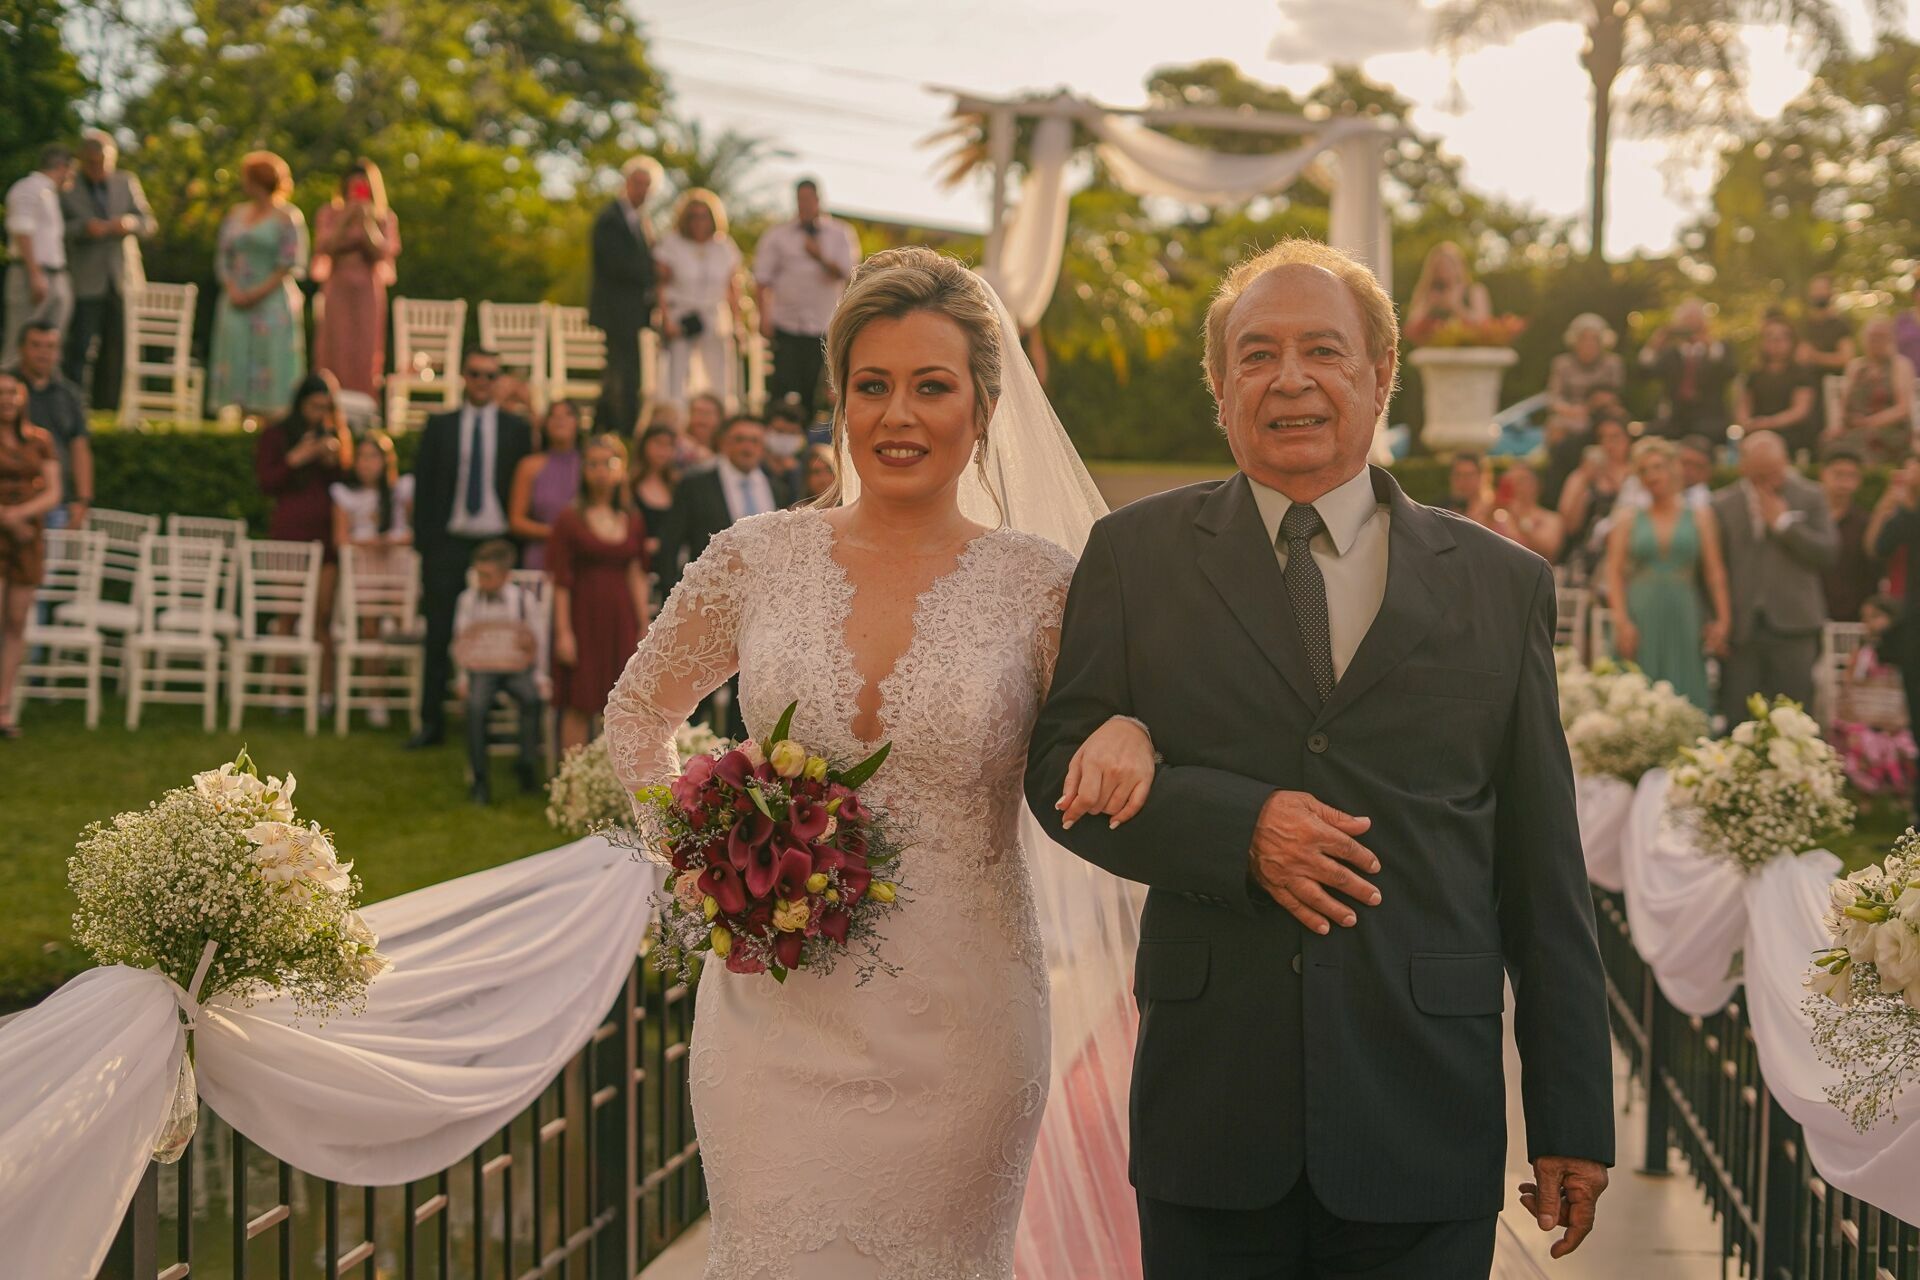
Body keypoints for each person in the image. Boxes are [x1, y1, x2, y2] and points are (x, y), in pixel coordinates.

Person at [1027, 238, 1613, 1276]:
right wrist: (1234, 826)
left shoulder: (1500, 584)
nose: (1288, 378)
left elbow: (1542, 867)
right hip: (1212, 1107)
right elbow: (1058, 771)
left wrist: (1572, 1112)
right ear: (1219, 387)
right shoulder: (1135, 556)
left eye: (1322, 350)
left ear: (1379, 374)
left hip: (1424, 1106)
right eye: (1255, 354)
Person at [602, 246, 1157, 1276]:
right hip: (772, 1016)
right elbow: (636, 717)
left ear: (983, 409)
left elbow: (1124, 722)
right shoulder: (755, 557)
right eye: (872, 386)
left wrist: (1134, 730)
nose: (898, 415)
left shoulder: (1043, 586)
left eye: (931, 386)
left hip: (963, 1030)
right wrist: (703, 861)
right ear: (839, 405)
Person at [407, 348, 534, 749]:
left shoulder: (515, 428)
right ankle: (431, 725)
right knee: (439, 631)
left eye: (490, 375)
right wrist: (425, 545)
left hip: (496, 542)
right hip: (449, 542)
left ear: (499, 380)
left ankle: (492, 721)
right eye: (475, 374)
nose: (482, 381)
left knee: (499, 630)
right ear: (464, 377)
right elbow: (423, 487)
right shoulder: (440, 425)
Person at [1711, 430, 1837, 722]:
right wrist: (1716, 619)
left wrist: (1783, 525)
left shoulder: (1811, 495)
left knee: (1794, 719)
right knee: (1738, 718)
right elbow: (1713, 570)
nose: (1770, 480)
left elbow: (1828, 553)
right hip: (1742, 629)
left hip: (1795, 625)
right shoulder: (1722, 504)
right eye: (1759, 474)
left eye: (1775, 471)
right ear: (1743, 468)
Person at [1603, 438, 1730, 711]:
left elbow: (1714, 572)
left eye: (1657, 467)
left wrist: (1723, 619)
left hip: (1683, 609)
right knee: (1636, 691)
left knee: (1684, 688)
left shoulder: (1700, 516)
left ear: (1674, 468)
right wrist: (1622, 621)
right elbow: (1612, 573)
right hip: (1640, 610)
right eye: (1644, 470)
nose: (1651, 476)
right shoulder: (1627, 518)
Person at [550, 434, 648, 753]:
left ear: (622, 468)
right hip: (583, 616)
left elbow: (636, 572)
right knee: (580, 700)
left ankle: (613, 783)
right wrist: (563, 632)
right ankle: (573, 786)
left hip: (620, 617)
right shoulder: (570, 519)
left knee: (622, 702)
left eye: (608, 463)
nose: (600, 471)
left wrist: (643, 622)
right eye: (592, 464)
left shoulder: (632, 518)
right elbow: (561, 581)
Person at [60, 131, 156, 409]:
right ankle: (76, 407)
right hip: (86, 279)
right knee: (80, 348)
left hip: (122, 279)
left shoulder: (125, 182)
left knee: (119, 349)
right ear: (82, 160)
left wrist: (128, 223)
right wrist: (83, 229)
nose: (97, 167)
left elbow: (148, 223)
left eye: (102, 161)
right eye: (91, 162)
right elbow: (58, 229)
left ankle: (111, 408)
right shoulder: (68, 185)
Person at [209, 152, 310, 416]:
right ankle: (239, 416)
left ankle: (270, 421)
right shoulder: (236, 213)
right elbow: (223, 256)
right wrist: (233, 288)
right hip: (235, 299)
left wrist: (256, 293)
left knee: (270, 359)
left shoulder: (287, 217)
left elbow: (289, 263)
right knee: (236, 354)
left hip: (271, 301)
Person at [753, 178, 859, 422]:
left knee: (813, 390)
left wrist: (819, 256)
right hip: (786, 323)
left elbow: (848, 274)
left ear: (819, 200)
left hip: (822, 325)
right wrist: (763, 317)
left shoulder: (839, 233)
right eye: (800, 200)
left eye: (809, 199)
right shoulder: (778, 236)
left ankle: (807, 441)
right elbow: (762, 279)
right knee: (780, 387)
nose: (805, 204)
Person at [452, 539, 549, 804]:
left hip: (516, 669)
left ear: (505, 575)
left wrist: (540, 676)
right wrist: (462, 678)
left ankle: (527, 764)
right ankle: (480, 780)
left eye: (487, 575)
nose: (481, 581)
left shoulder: (523, 601)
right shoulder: (468, 600)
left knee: (531, 699)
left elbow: (537, 640)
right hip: (482, 670)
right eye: (478, 574)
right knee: (475, 706)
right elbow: (461, 641)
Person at [0, 369, 60, 738]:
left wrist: (18, 517)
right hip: (5, 530)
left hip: (27, 537)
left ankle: (3, 707)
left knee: (17, 622)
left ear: (22, 398)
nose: (7, 399)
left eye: (12, 392)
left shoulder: (40, 441)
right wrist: (5, 519)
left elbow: (54, 492)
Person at [660, 413, 782, 595]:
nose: (747, 448)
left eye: (754, 441)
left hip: (764, 599)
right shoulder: (695, 486)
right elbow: (670, 545)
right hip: (709, 597)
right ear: (724, 443)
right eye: (739, 439)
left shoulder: (778, 489)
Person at [311, 159, 401, 398]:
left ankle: (364, 400)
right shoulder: (329, 213)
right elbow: (324, 247)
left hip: (367, 289)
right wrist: (346, 218)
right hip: (337, 286)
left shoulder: (383, 218)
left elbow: (382, 253)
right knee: (334, 344)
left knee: (366, 347)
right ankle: (328, 400)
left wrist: (366, 222)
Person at [588, 155, 661, 436]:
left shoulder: (639, 221)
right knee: (623, 375)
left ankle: (603, 427)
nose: (642, 190)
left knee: (619, 374)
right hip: (616, 312)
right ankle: (622, 429)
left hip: (629, 313)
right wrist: (654, 272)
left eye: (647, 185)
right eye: (638, 183)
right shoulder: (611, 219)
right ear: (626, 183)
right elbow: (615, 263)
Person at [655, 188, 743, 407]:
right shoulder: (672, 243)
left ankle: (718, 423)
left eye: (704, 215)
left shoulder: (724, 247)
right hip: (681, 314)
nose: (699, 221)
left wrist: (738, 323)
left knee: (718, 377)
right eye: (693, 216)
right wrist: (666, 320)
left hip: (714, 315)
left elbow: (733, 287)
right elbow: (661, 285)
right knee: (677, 379)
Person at [8, 322, 90, 530]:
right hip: (10, 499)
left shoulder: (69, 395)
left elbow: (79, 447)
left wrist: (83, 499)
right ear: (21, 348)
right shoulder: (6, 389)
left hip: (57, 503)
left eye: (50, 347)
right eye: (36, 345)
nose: (43, 353)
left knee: (53, 563)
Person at [3, 145, 76, 359]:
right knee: (19, 345)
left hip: (56, 275)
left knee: (52, 349)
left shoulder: (50, 194)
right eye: (71, 171)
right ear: (62, 167)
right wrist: (35, 274)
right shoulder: (27, 188)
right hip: (31, 275)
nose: (71, 177)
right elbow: (21, 230)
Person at [1638, 297, 1735, 440]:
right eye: (1686, 322)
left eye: (1696, 321)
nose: (1691, 327)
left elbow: (1729, 371)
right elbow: (1644, 373)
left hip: (1709, 417)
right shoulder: (1670, 353)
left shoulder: (1719, 349)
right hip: (1675, 417)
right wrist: (1654, 344)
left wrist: (1709, 343)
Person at [508, 399, 584, 573]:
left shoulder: (589, 465)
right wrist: (555, 533)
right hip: (541, 558)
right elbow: (516, 521)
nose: (560, 420)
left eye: (567, 415)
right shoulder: (529, 466)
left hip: (582, 557)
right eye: (554, 416)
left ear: (577, 422)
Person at [1831, 317, 1917, 462]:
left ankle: (1869, 479)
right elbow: (1844, 402)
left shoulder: (1900, 365)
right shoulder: (1856, 367)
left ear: (1891, 339)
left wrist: (1869, 422)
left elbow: (1903, 409)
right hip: (1855, 426)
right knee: (1829, 439)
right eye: (1871, 337)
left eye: (1881, 337)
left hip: (1890, 428)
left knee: (1866, 439)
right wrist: (1839, 425)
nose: (1875, 341)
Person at [1736, 314, 1820, 456]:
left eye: (1781, 338)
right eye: (1770, 337)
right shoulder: (1754, 375)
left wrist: (1768, 423)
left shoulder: (1802, 374)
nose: (1775, 342)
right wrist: (1747, 423)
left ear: (1791, 341)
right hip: (1756, 430)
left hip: (1790, 431)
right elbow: (1743, 405)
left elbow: (1800, 411)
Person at [1820, 449, 1879, 624]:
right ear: (1823, 474)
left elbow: (1872, 571)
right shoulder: (1807, 518)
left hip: (1850, 615)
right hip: (1808, 611)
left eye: (1851, 476)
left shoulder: (1864, 523)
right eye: (1838, 474)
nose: (1844, 482)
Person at [1547, 314, 1624, 427]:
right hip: (1569, 415)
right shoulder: (1562, 363)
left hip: (1601, 414)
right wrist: (1571, 410)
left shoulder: (1613, 363)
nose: (1589, 343)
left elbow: (1615, 395)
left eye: (1594, 339)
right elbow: (1554, 398)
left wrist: (1596, 404)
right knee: (1556, 426)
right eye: (1584, 339)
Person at [1404, 240, 1492, 341]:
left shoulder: (1475, 291)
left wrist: (1457, 308)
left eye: (1449, 264)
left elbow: (1485, 326)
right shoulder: (1428, 293)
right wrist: (1428, 306)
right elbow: (1410, 328)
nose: (1445, 270)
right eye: (1440, 266)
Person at [1486, 465, 1565, 563]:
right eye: (1510, 481)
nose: (1515, 485)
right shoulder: (1498, 516)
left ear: (1536, 484)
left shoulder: (1551, 519)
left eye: (1521, 481)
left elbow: (1549, 550)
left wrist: (1519, 519)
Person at [629, 423, 679, 570]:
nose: (662, 451)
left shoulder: (678, 486)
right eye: (657, 443)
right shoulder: (630, 485)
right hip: (637, 562)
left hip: (670, 564)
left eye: (668, 445)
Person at [1798, 274, 1856, 379]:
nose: (1818, 293)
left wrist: (1816, 356)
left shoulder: (1840, 325)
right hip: (1809, 383)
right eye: (1815, 289)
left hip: (1834, 382)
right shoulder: (1805, 325)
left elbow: (1846, 358)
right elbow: (1800, 356)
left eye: (1822, 289)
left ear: (1831, 293)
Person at [763, 395, 810, 505]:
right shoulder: (753, 466)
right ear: (766, 429)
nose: (785, 438)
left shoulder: (808, 468)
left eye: (792, 433)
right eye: (780, 431)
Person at [680, 390, 723, 470]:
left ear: (719, 417)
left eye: (707, 413)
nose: (701, 418)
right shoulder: (678, 446)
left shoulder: (726, 448)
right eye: (697, 412)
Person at [1443, 452, 1489, 518]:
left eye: (1468, 476)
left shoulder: (1494, 512)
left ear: (1482, 477)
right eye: (1457, 475)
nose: (1462, 481)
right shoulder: (1443, 512)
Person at [1677, 434, 1716, 509]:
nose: (1689, 470)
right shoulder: (1652, 498)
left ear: (1709, 471)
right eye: (1685, 463)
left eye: (1697, 466)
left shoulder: (1714, 507)